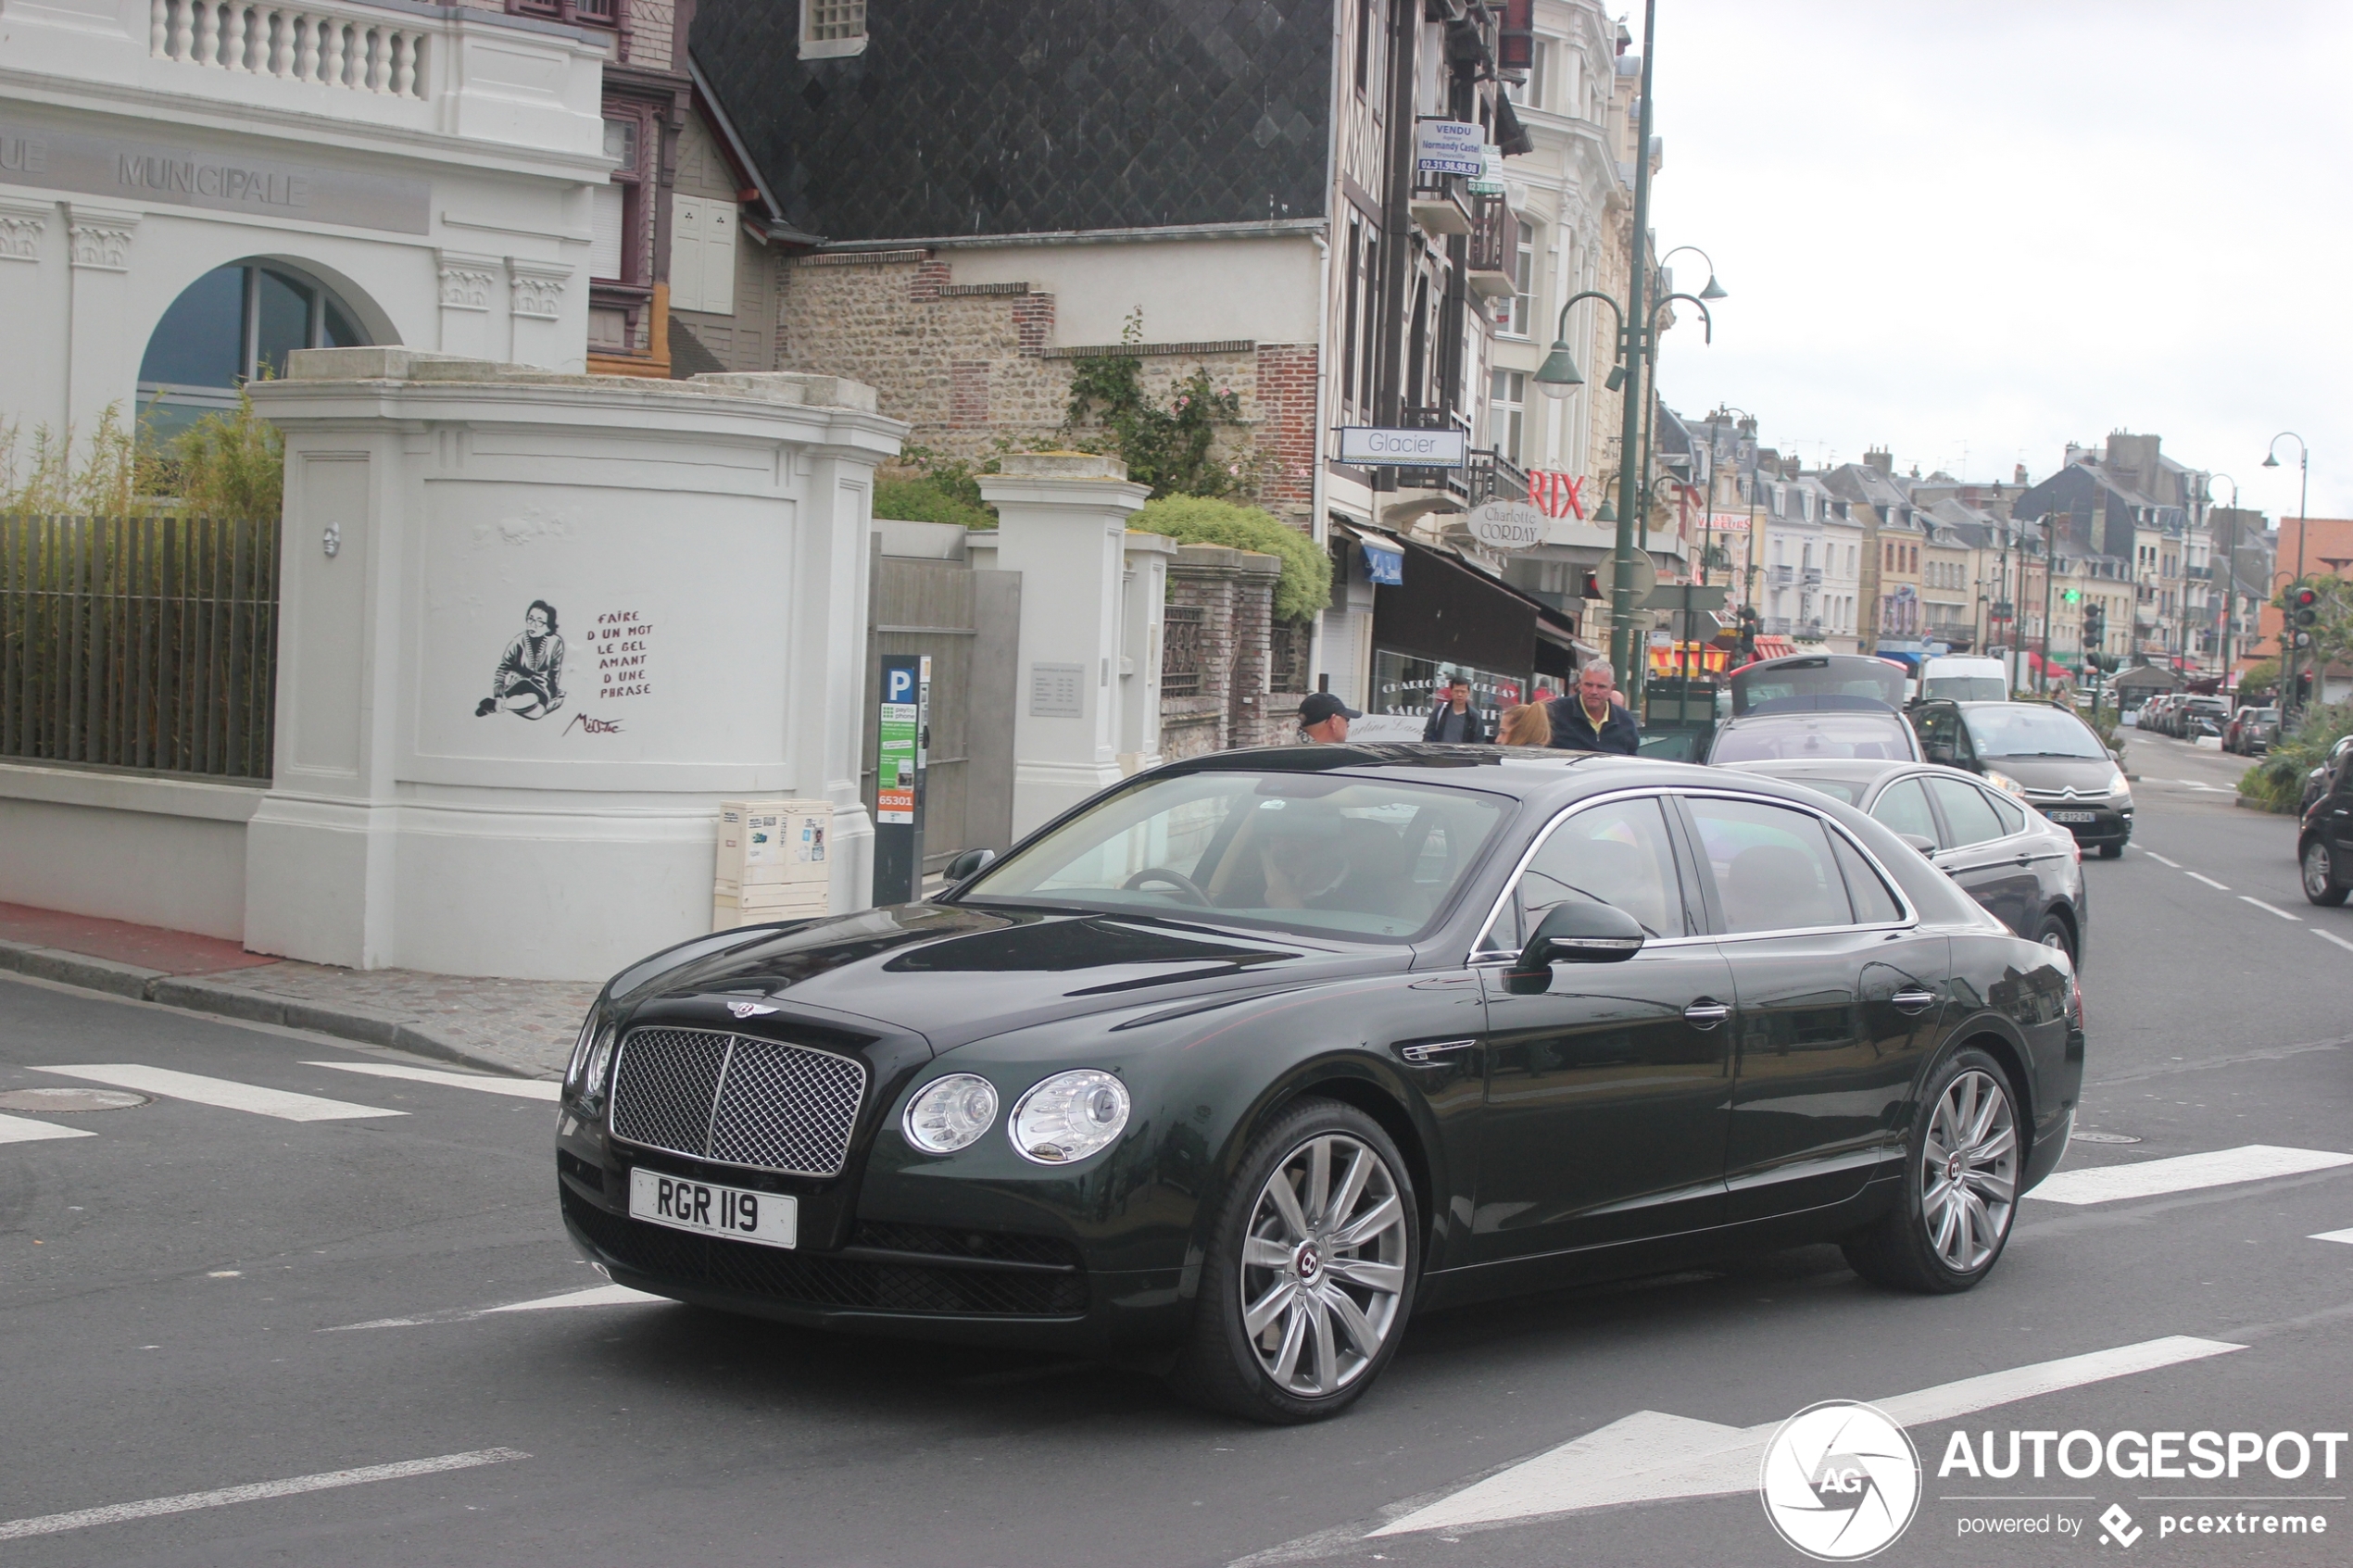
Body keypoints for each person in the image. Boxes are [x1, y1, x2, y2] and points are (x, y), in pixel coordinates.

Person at [476, 599, 565, 720]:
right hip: (518, 685)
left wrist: (553, 695)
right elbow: (502, 670)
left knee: (538, 712)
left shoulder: (556, 642)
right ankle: (501, 702)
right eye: (530, 619)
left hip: (540, 688)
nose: (533, 625)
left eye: (540, 622)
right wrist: (498, 694)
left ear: (549, 628)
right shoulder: (517, 641)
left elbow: (554, 671)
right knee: (532, 699)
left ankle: (500, 705)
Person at [1548, 659, 1640, 754]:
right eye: (1588, 685)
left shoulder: (1626, 721)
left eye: (1601, 686)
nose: (1593, 692)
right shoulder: (1555, 713)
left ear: (1612, 688)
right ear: (1580, 684)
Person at [1421, 675, 1490, 743]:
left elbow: (1479, 741)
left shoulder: (1474, 716)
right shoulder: (1440, 710)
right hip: (1440, 753)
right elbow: (1428, 735)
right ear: (1451, 691)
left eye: (1463, 692)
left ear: (1468, 693)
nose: (1459, 694)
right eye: (1456, 691)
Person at [1296, 691, 1360, 744]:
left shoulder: (1293, 749)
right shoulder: (1321, 756)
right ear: (1334, 722)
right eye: (1346, 719)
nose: (1348, 725)